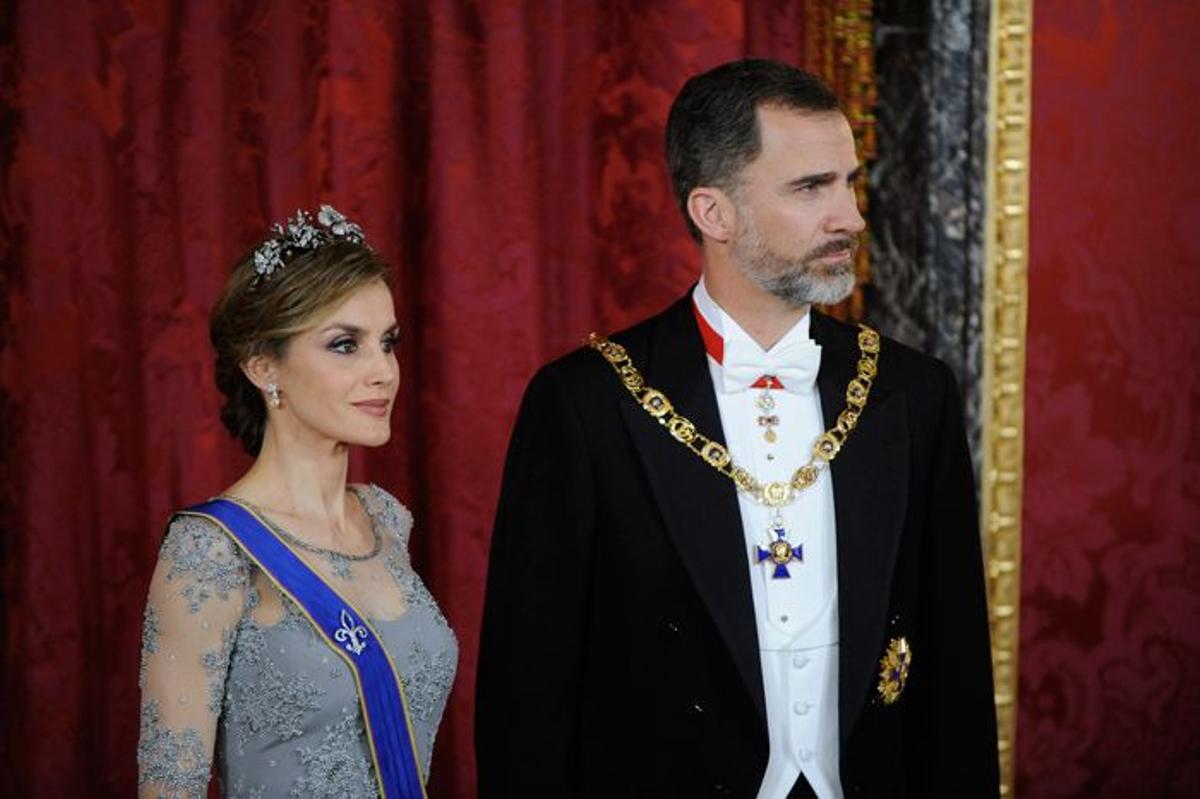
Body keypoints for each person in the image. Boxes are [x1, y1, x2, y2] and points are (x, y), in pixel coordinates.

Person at [476, 59, 998, 797]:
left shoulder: (913, 394)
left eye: (848, 181)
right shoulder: (587, 405)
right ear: (714, 213)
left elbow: (955, 680)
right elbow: (527, 700)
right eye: (810, 187)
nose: (849, 215)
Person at [137, 206, 457, 798]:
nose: (383, 371)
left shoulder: (387, 519)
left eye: (387, 343)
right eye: (345, 345)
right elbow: (169, 786)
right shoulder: (210, 551)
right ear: (263, 366)